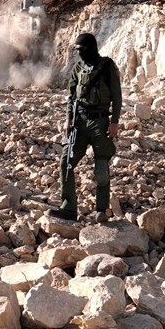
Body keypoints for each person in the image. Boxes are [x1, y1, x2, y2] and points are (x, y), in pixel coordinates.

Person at [51, 32, 123, 223]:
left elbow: (117, 96)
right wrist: (68, 119)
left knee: (101, 168)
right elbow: (71, 97)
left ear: (90, 48)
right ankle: (68, 207)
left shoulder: (107, 66)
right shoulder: (78, 68)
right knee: (66, 162)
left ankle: (101, 210)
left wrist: (114, 122)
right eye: (77, 50)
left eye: (82, 49)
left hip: (100, 122)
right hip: (79, 122)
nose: (79, 53)